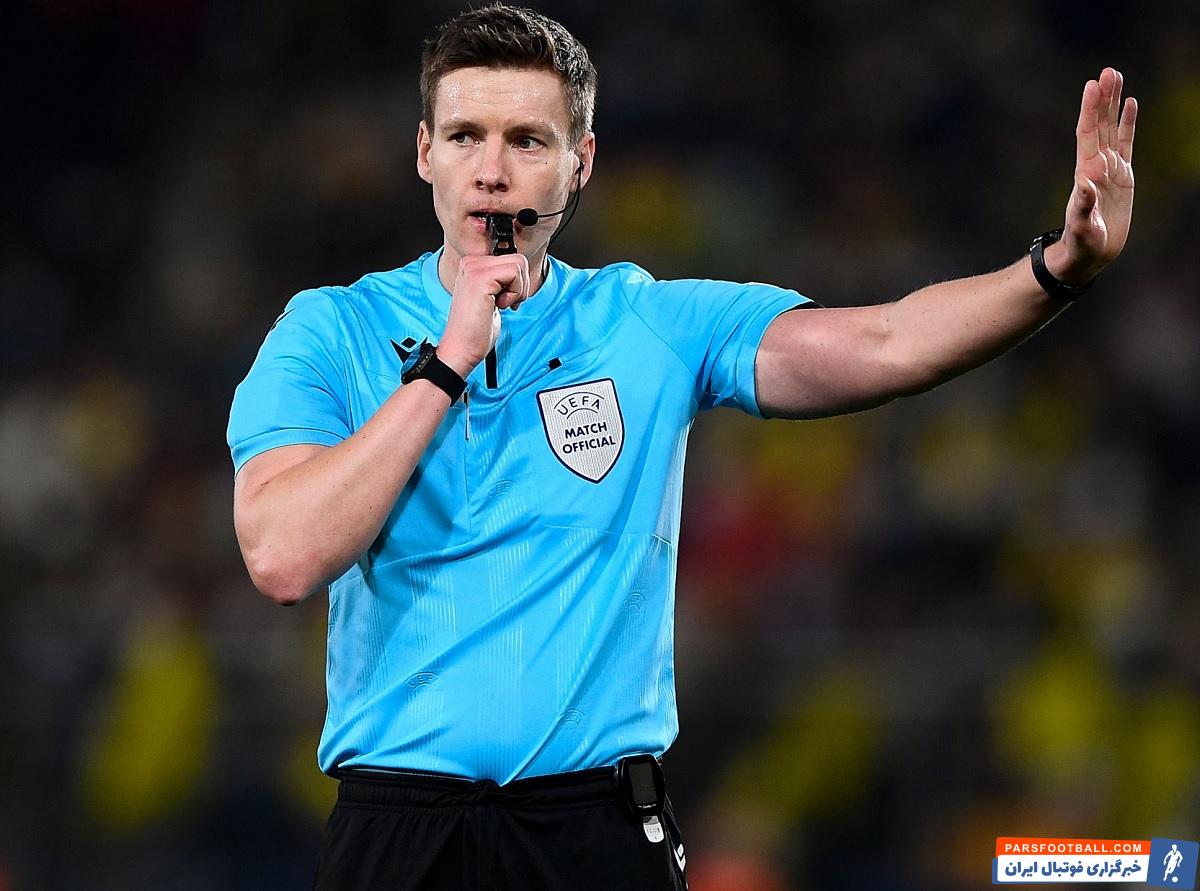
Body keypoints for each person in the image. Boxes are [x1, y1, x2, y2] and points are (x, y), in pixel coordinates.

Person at [227, 4, 1137, 889]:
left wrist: (1056, 268)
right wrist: (447, 363)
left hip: (595, 833)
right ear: (425, 151)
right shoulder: (332, 330)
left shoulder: (648, 323)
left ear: (580, 165)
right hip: (399, 830)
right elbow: (283, 556)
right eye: (466, 136)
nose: (492, 173)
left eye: (528, 141)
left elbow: (888, 342)